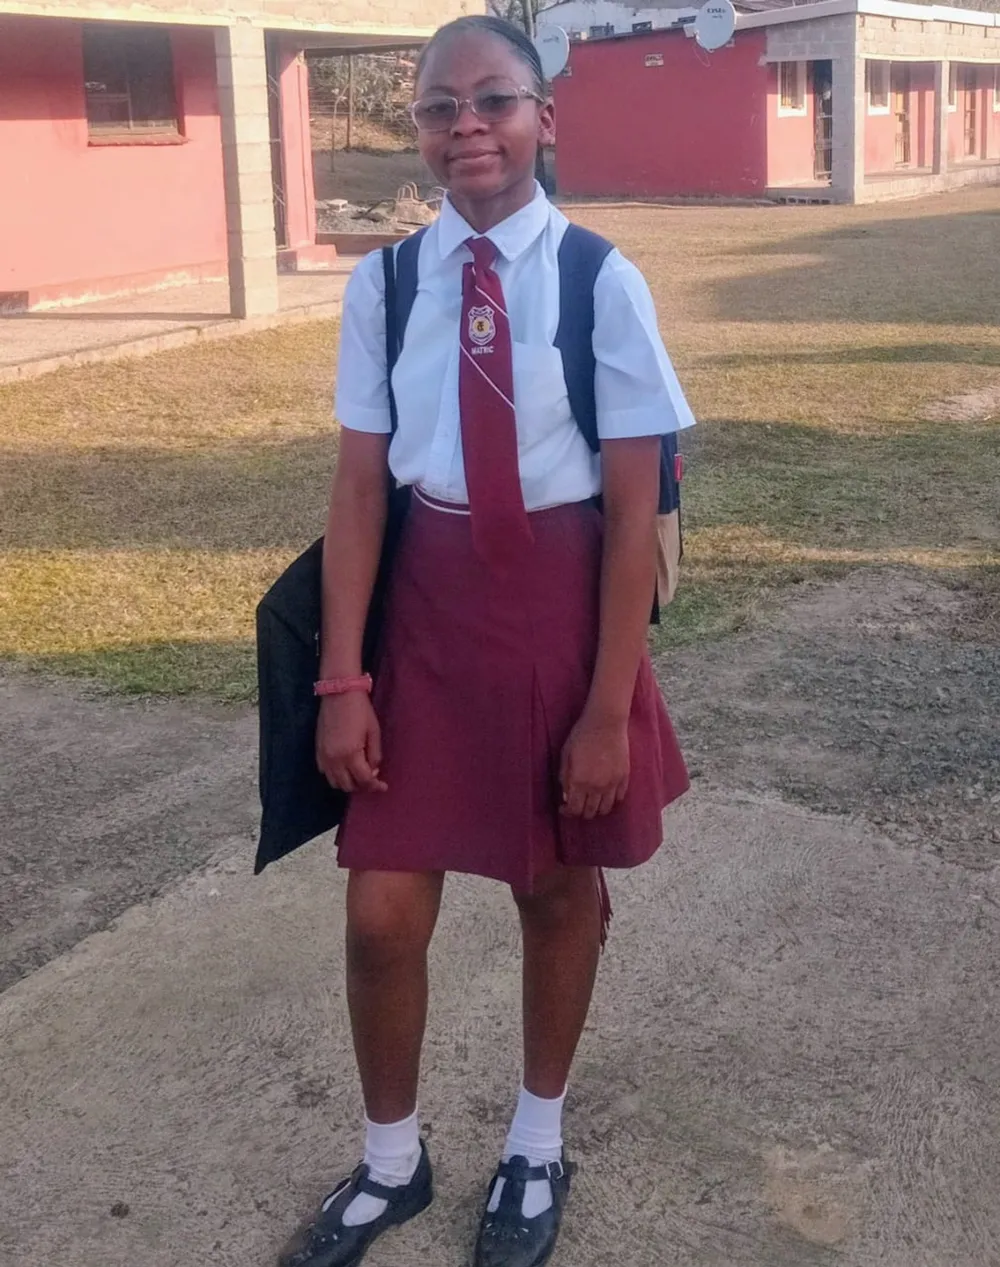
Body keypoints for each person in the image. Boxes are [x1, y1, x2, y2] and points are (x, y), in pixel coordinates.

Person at [279, 15, 695, 1267]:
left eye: (494, 100)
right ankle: (390, 1162)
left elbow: (635, 516)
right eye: (439, 106)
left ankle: (535, 1139)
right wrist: (342, 677)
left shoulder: (597, 281)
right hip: (427, 611)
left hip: (559, 610)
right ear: (417, 126)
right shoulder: (387, 285)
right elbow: (360, 488)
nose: (467, 125)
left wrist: (606, 710)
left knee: (553, 887)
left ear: (542, 117)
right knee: (379, 912)